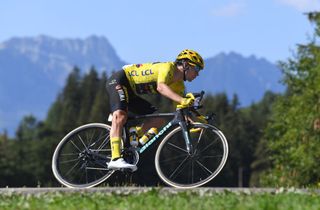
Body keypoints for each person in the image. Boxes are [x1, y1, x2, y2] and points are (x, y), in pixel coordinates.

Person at [106, 49, 205, 171]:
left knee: (158, 120)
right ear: (185, 65)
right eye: (197, 69)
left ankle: (134, 135)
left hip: (131, 91)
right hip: (120, 80)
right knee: (120, 116)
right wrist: (183, 100)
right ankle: (115, 159)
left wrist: (192, 121)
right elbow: (161, 87)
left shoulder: (179, 84)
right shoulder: (168, 67)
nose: (198, 74)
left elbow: (180, 107)